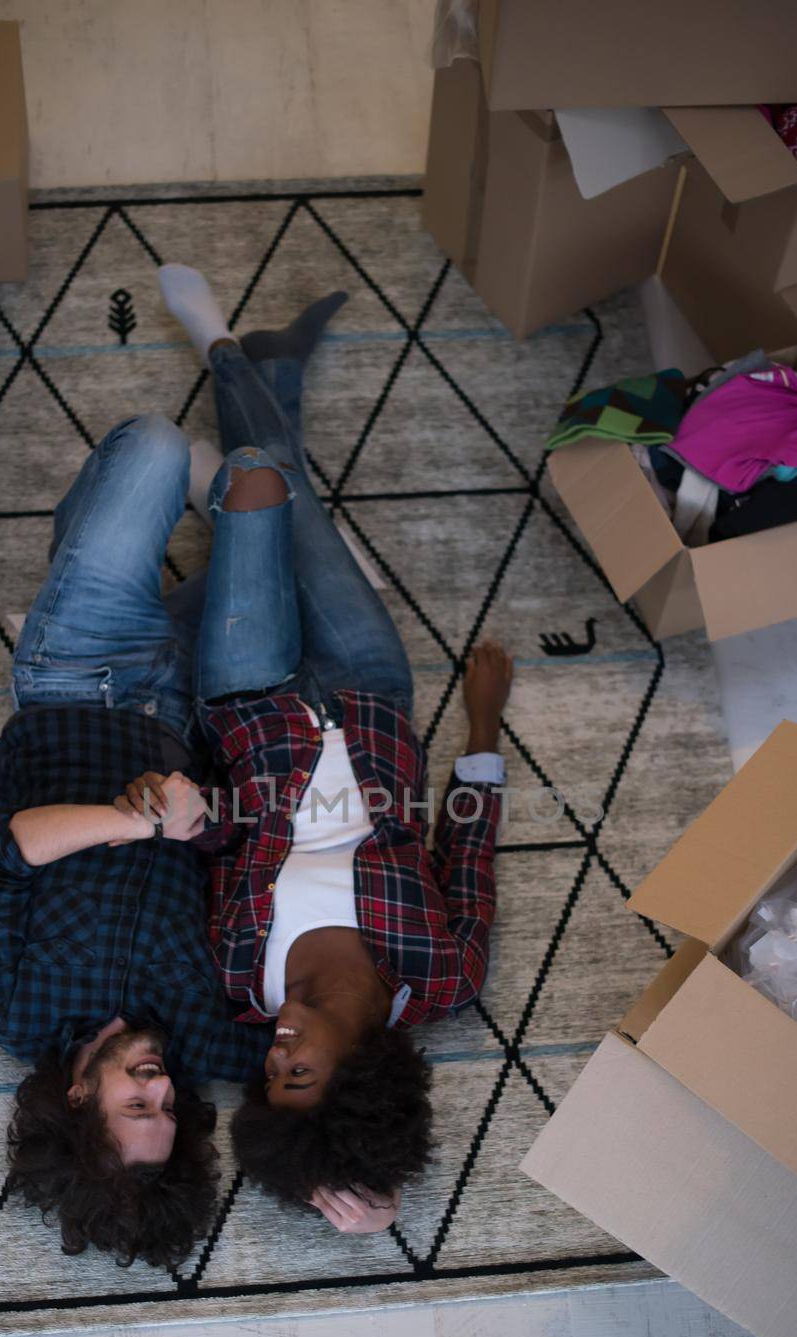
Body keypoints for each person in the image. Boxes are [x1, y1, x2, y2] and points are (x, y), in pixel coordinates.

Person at [118, 266, 513, 1236]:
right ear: (361, 1075)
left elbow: (211, 848)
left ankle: (223, 355)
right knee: (283, 498)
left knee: (261, 490)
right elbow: (469, 849)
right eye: (300, 1069)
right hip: (372, 690)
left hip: (249, 700)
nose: (279, 1045)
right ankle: (262, 383)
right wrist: (483, 725)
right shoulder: (442, 977)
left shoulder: (243, 984)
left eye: (271, 1072)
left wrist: (183, 812)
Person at [0, 411, 269, 1270]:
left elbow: (0, 856)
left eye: (138, 1107)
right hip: (194, 708)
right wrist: (338, 1180)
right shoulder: (207, 1045)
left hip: (77, 680)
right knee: (266, 497)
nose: (163, 1088)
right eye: (169, 1112)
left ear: (76, 1096)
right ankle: (127, 555)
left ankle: (88, 570)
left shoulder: (12, 1011)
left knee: (157, 450)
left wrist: (134, 817)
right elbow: (309, 1073)